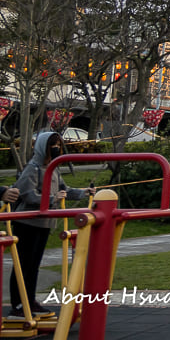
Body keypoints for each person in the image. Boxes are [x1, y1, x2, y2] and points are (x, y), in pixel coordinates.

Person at [10, 131, 95, 316]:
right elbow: (27, 194)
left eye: (58, 145)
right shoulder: (33, 168)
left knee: (34, 265)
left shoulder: (53, 168)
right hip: (27, 222)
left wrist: (84, 192)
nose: (56, 149)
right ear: (43, 147)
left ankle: (29, 300)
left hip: (44, 223)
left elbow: (64, 190)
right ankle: (18, 304)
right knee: (24, 264)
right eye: (52, 145)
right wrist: (51, 198)